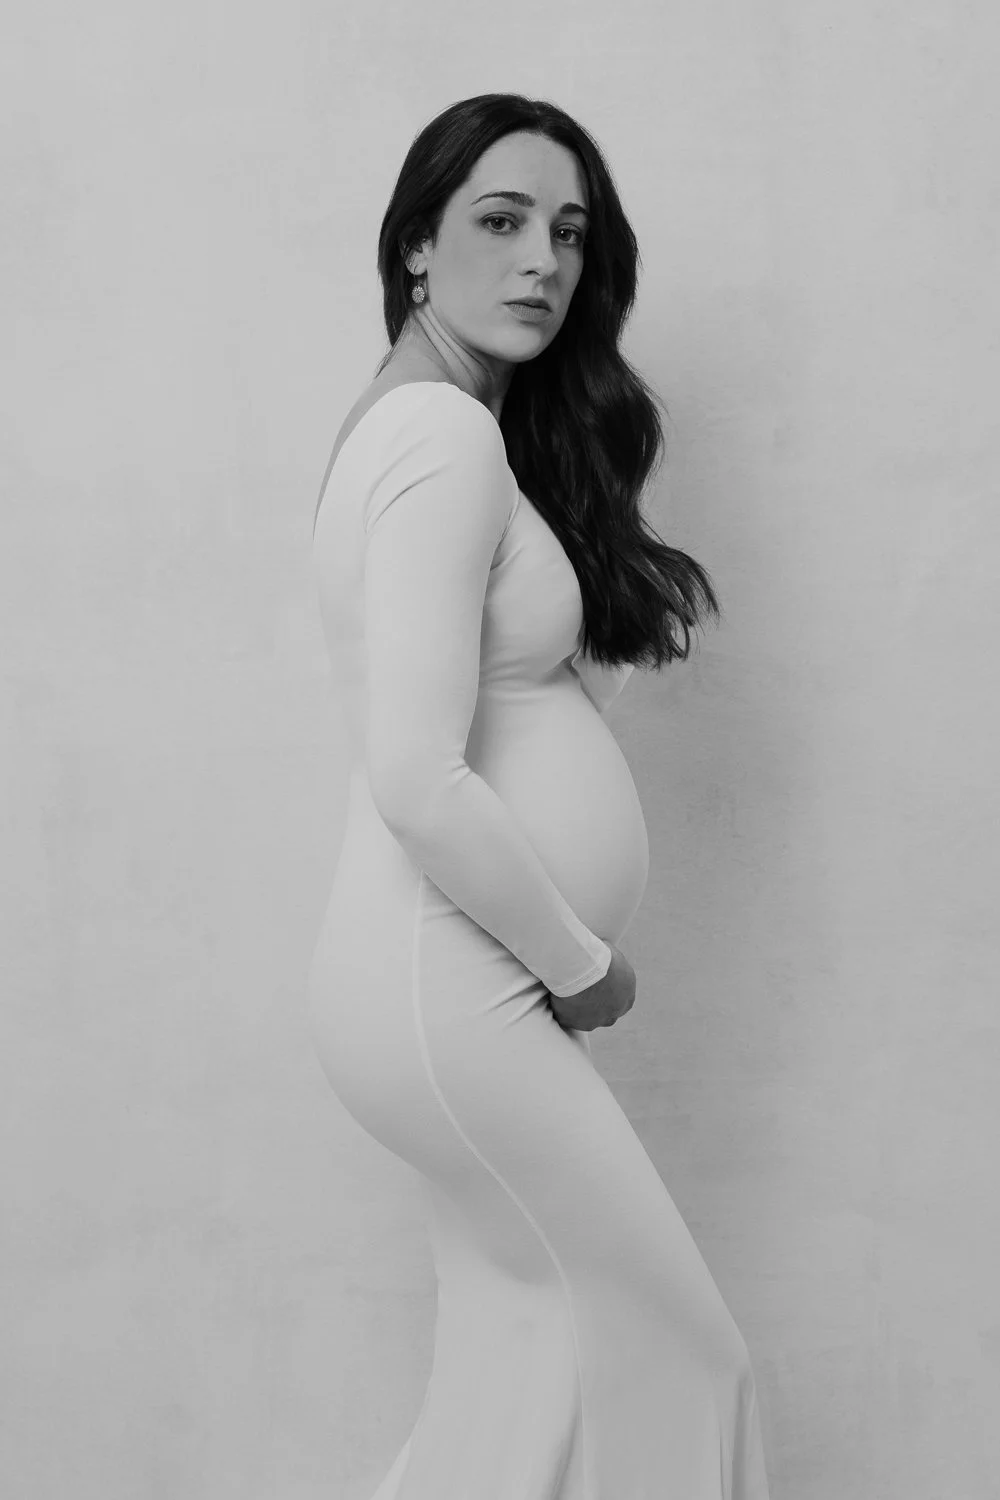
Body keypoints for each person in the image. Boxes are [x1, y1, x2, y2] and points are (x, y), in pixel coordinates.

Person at [308, 92, 770, 1499]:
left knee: (529, 1371)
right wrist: (580, 963)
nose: (542, 265)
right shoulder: (440, 439)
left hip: (436, 981)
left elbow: (492, 706)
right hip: (460, 982)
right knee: (685, 1359)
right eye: (499, 223)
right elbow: (417, 776)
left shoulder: (437, 434)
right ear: (415, 252)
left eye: (568, 234)